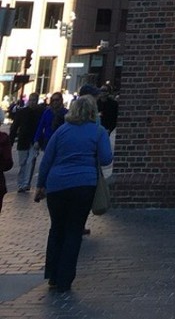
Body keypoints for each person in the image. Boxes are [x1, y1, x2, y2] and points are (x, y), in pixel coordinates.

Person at [35, 94, 113, 293]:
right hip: (83, 185)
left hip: (57, 185)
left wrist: (40, 185)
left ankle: (52, 274)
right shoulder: (98, 131)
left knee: (56, 229)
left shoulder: (61, 131)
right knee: (73, 230)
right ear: (92, 112)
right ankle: (65, 278)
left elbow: (47, 161)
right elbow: (105, 159)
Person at [10, 92, 44, 192]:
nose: (32, 102)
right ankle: (21, 183)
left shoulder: (41, 112)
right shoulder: (22, 112)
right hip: (23, 140)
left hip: (34, 140)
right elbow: (15, 126)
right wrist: (11, 140)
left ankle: (25, 183)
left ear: (37, 101)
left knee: (30, 161)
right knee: (22, 163)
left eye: (34, 100)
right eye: (31, 100)